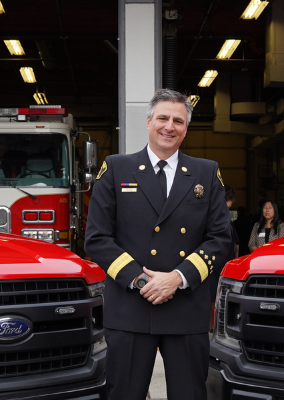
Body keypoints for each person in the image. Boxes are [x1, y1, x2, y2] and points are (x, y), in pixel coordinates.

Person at [84, 88, 233, 400]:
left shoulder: (206, 172)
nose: (170, 126)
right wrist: (142, 281)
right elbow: (97, 239)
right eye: (163, 118)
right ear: (149, 122)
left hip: (186, 309)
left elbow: (220, 239)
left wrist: (177, 279)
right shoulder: (116, 169)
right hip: (130, 308)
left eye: (178, 121)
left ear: (186, 129)